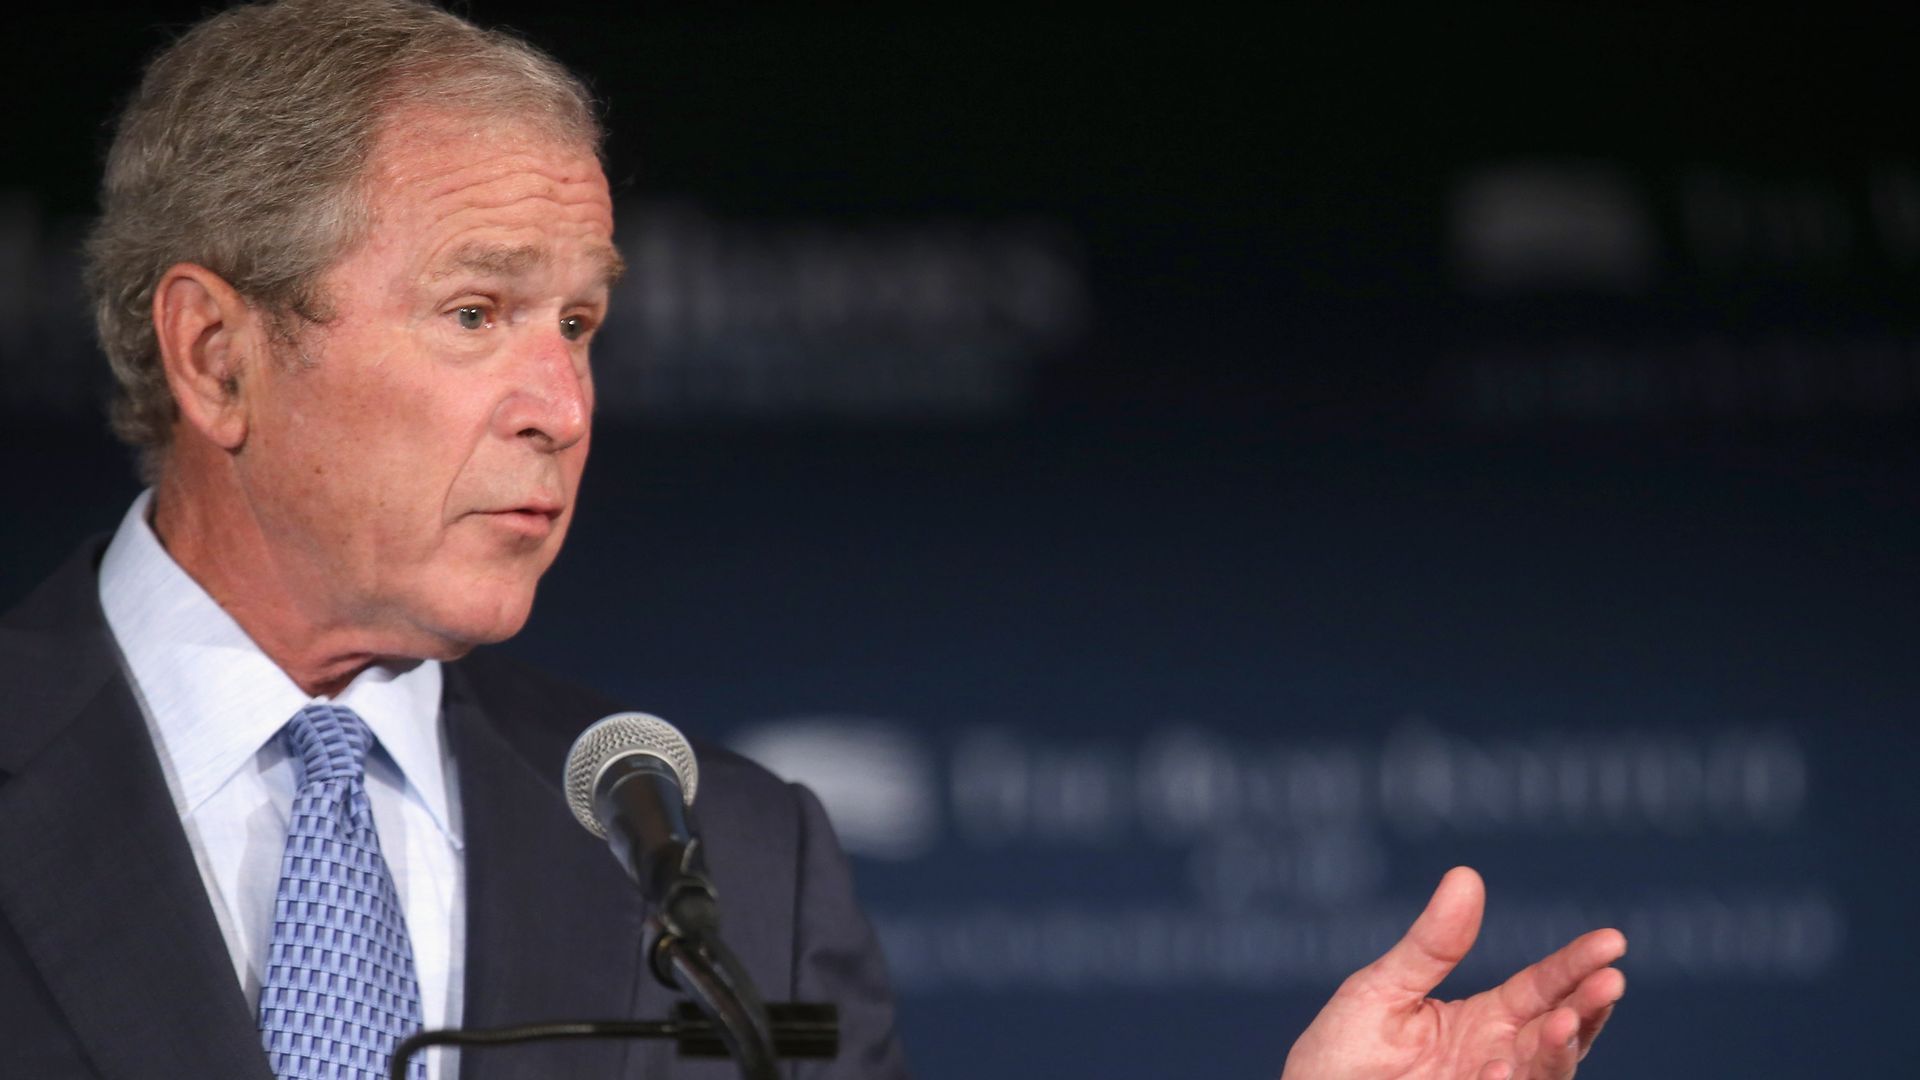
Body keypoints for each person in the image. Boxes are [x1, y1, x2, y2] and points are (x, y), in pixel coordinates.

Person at [0, 2, 1625, 1079]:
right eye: (477, 311)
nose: (560, 402)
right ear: (218, 355)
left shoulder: (733, 868)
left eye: (579, 321)